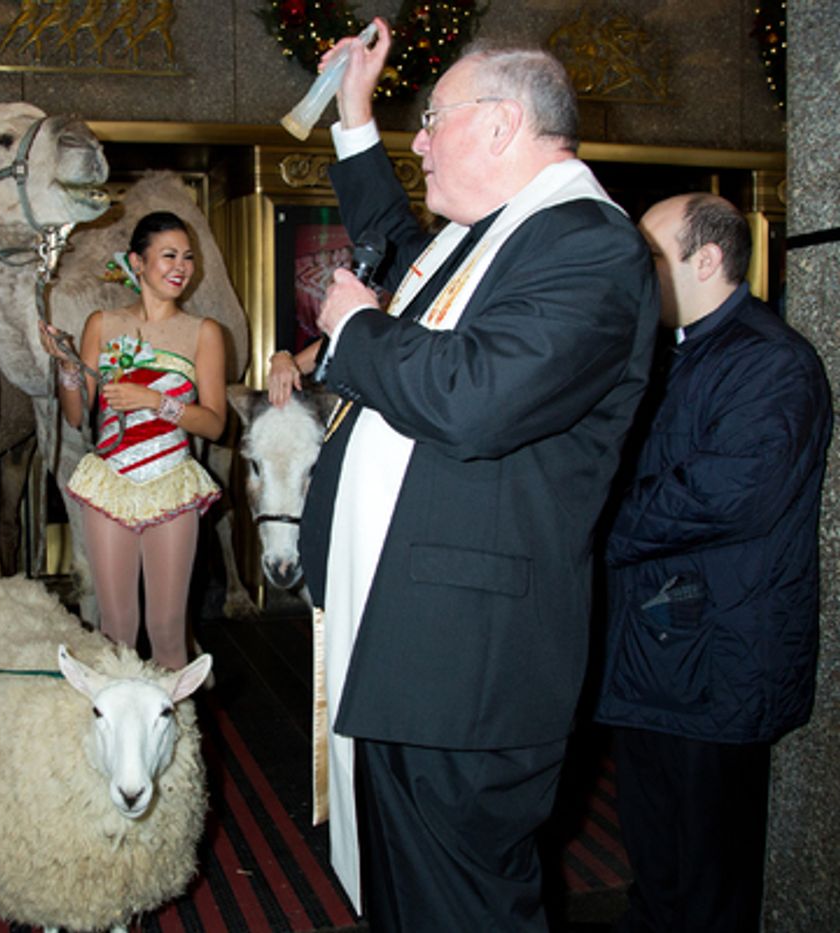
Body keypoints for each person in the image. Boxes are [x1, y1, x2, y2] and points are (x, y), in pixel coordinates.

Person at [295, 19, 659, 930]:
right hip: (413, 650)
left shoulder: (590, 247)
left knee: (463, 910)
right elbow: (392, 243)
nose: (418, 141)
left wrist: (356, 328)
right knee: (408, 900)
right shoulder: (493, 236)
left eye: (433, 119)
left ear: (500, 126)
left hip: (468, 673)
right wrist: (354, 114)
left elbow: (475, 396)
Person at [594, 194, 831, 933]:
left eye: (652, 253)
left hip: (719, 666)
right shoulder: (672, 349)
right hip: (654, 663)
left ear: (707, 259)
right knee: (656, 870)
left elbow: (722, 497)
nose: (637, 269)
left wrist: (589, 522)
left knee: (709, 889)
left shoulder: (772, 361)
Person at [40, 211, 226, 670]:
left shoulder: (204, 333)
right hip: (111, 483)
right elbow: (76, 412)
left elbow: (216, 425)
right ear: (137, 263)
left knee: (166, 629)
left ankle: (178, 741)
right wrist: (66, 365)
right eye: (168, 256)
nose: (181, 266)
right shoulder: (101, 325)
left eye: (187, 257)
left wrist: (155, 400)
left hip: (171, 481)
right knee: (116, 628)